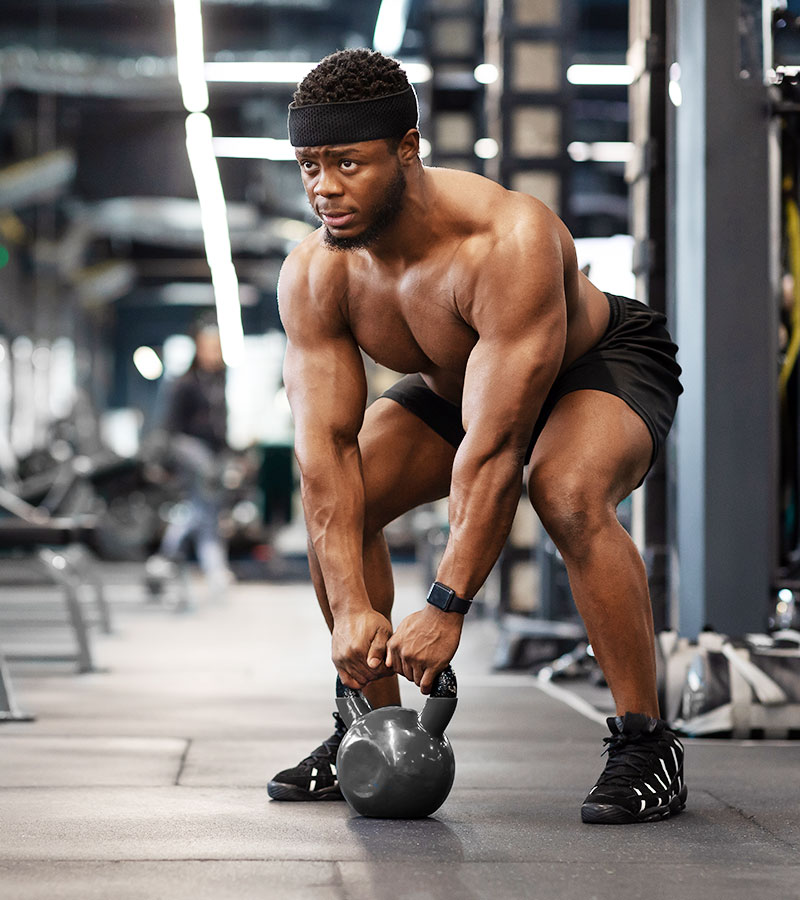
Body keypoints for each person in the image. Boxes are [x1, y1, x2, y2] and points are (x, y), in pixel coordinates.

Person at [267, 49, 686, 825]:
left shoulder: (506, 240)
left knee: (563, 489)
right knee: (346, 502)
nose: (324, 188)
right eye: (309, 166)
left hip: (595, 362)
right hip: (455, 386)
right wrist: (355, 608)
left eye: (347, 163)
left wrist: (446, 604)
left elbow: (493, 451)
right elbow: (325, 454)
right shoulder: (317, 274)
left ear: (408, 148)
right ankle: (370, 727)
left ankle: (645, 742)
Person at [146, 322, 233, 597]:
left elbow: (221, 424)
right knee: (203, 509)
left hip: (213, 454)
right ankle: (210, 568)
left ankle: (168, 562)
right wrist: (167, 463)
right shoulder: (184, 384)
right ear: (198, 349)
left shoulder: (220, 381)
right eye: (208, 347)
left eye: (217, 348)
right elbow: (170, 428)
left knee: (204, 512)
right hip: (191, 453)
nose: (213, 353)